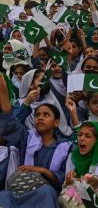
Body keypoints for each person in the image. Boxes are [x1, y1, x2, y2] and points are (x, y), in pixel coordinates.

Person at [0, 73, 72, 207]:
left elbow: (64, 177)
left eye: (46, 115)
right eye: (37, 115)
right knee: (3, 195)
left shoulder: (65, 146)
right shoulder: (27, 138)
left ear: (56, 122)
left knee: (46, 191)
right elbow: (9, 125)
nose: (40, 118)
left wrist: (42, 171)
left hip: (46, 192)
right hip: (21, 190)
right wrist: (3, 95)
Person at [59, 121, 98, 208]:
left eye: (87, 136)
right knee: (65, 197)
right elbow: (68, 178)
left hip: (97, 187)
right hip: (77, 188)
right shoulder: (73, 156)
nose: (82, 138)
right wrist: (69, 180)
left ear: (97, 141)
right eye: (80, 135)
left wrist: (94, 179)